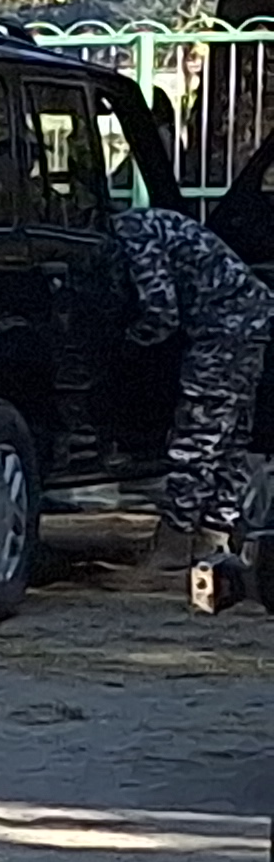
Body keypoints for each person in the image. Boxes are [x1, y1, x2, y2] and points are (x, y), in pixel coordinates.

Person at [111, 203, 274, 612]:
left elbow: (161, 310)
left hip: (221, 331)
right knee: (232, 434)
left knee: (200, 434)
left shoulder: (133, 234)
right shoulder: (154, 221)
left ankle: (174, 543)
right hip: (251, 320)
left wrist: (127, 344)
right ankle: (216, 535)